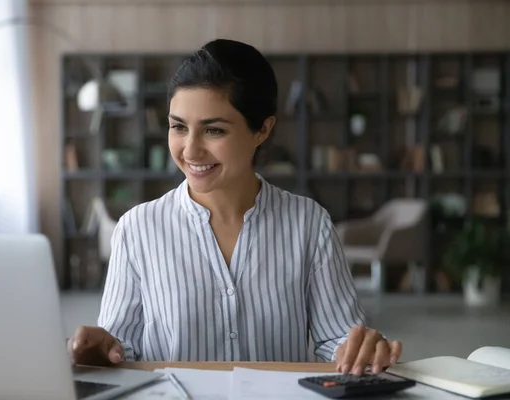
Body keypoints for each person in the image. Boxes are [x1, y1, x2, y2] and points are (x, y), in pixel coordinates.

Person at [68, 39, 402, 376]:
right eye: (179, 127)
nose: (191, 151)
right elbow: (120, 348)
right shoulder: (136, 228)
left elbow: (339, 339)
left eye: (213, 130)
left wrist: (361, 348)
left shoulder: (308, 224)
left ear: (262, 130)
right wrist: (100, 351)